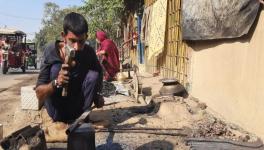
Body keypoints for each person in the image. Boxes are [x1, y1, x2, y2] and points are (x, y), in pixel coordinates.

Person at [35, 12, 104, 123]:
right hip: (56, 111)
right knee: (56, 69)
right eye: (72, 41)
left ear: (86, 37)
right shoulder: (51, 50)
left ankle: (81, 117)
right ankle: (61, 118)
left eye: (81, 41)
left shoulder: (88, 52)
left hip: (78, 110)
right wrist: (56, 83)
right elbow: (39, 94)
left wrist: (98, 95)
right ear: (64, 36)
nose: (76, 47)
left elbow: (99, 72)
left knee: (93, 75)